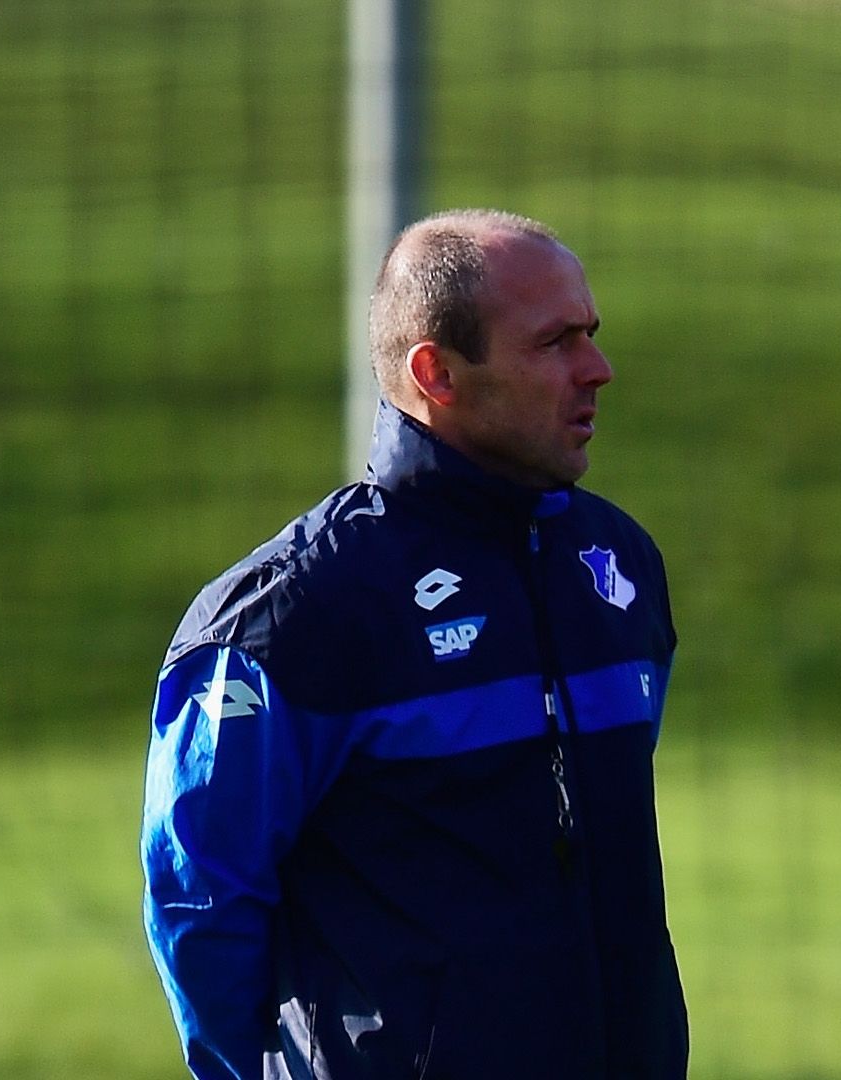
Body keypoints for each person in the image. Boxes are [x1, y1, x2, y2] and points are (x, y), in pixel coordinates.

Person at [140, 209, 688, 1079]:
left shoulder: (614, 564)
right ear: (436, 372)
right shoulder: (295, 612)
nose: (598, 369)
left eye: (592, 334)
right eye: (554, 343)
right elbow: (203, 899)